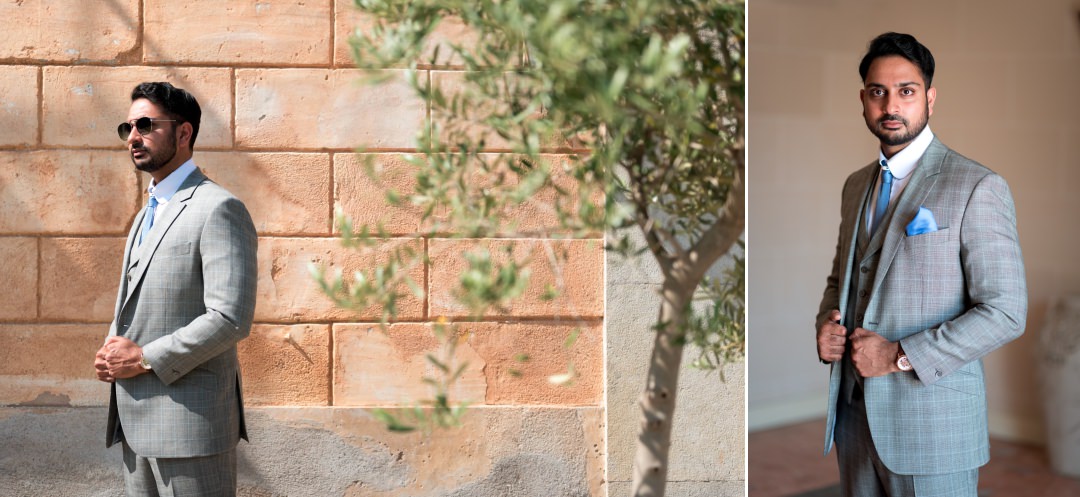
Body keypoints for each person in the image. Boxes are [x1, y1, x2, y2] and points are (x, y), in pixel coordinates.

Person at [814, 32, 1027, 496]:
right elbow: (841, 280)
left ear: (929, 98)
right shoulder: (856, 186)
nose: (891, 104)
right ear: (864, 100)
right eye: (878, 92)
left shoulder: (977, 186)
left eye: (906, 91)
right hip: (854, 419)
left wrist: (896, 355)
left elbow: (1006, 312)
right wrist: (825, 325)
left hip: (933, 427)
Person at [94, 82, 258, 496]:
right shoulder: (144, 214)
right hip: (134, 424)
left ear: (184, 134)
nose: (133, 137)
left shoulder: (219, 208)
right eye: (128, 127)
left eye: (146, 125)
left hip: (192, 429)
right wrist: (112, 349)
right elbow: (138, 303)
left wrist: (145, 357)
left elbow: (229, 318)